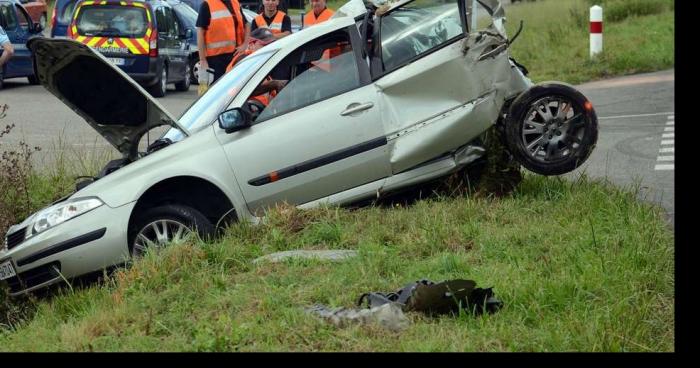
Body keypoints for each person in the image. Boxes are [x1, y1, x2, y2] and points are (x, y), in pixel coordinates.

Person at [225, 28, 286, 108]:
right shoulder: (245, 61)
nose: (270, 47)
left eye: (272, 44)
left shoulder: (259, 60)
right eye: (265, 45)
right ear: (251, 45)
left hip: (257, 108)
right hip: (239, 109)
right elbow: (242, 91)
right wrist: (274, 84)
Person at [196, 0, 251, 82]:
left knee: (234, 89)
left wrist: (245, 44)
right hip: (215, 60)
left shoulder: (235, 3)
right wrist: (202, 60)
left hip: (235, 56)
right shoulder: (207, 4)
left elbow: (247, 24)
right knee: (217, 90)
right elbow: (200, 32)